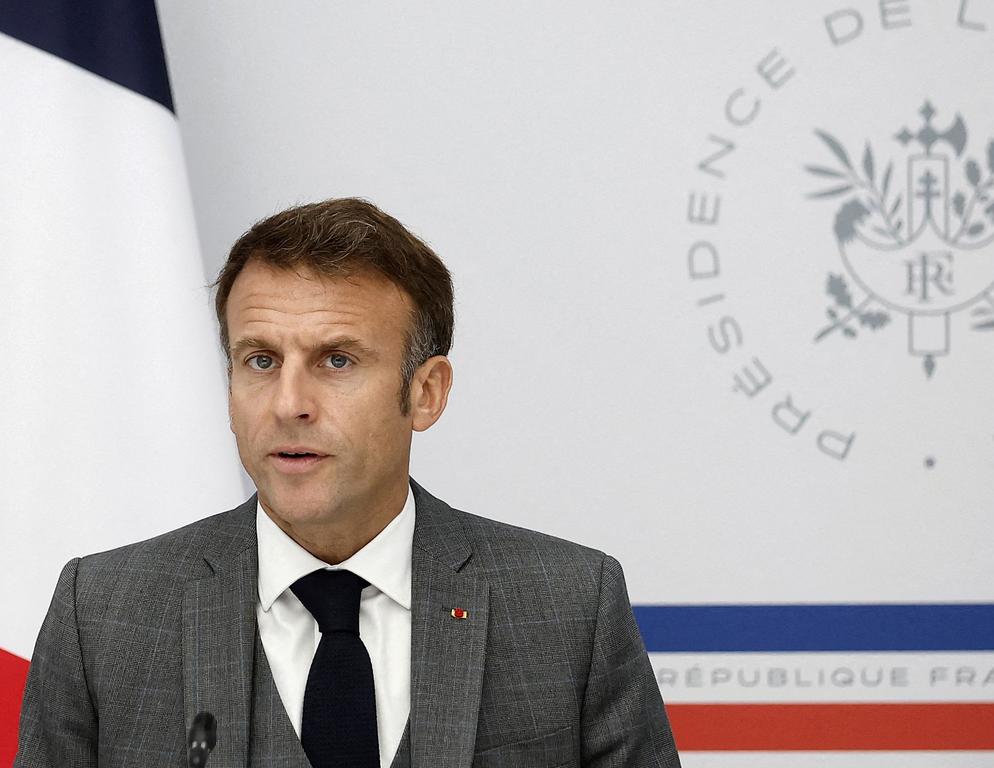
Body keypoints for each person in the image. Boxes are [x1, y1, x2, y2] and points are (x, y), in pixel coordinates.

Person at [15, 198, 679, 767]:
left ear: (426, 392)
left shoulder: (571, 606)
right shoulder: (101, 614)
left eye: (336, 360)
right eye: (260, 360)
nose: (288, 403)